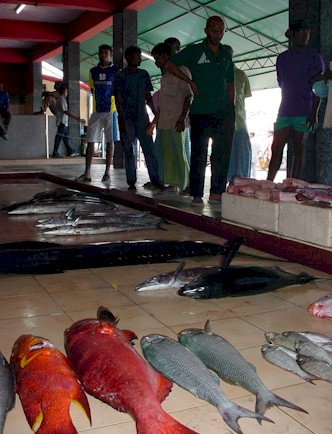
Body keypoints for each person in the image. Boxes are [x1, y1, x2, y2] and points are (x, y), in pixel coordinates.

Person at [161, 15, 235, 205]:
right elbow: (168, 64)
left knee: (221, 153)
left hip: (223, 111)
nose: (218, 34)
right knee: (199, 153)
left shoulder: (226, 54)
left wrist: (231, 107)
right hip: (201, 110)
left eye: (221, 31)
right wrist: (189, 81)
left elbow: (231, 83)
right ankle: (196, 194)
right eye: (214, 30)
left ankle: (217, 192)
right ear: (206, 30)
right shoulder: (194, 51)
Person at [267, 19, 325, 182]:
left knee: (299, 149)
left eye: (307, 31)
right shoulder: (282, 58)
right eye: (301, 31)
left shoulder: (315, 57)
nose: (306, 35)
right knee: (276, 147)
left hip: (304, 110)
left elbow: (319, 87)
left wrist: (314, 113)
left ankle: (292, 184)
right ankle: (268, 181)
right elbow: (281, 83)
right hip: (285, 109)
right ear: (291, 35)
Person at [113, 45, 163, 191]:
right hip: (126, 118)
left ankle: (155, 179)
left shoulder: (144, 74)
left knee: (149, 149)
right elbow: (118, 99)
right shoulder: (120, 76)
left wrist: (155, 115)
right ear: (129, 57)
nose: (140, 58)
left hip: (142, 117)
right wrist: (121, 120)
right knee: (129, 150)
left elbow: (148, 97)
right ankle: (131, 181)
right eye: (137, 55)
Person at [148, 42, 193, 193]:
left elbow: (188, 96)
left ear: (166, 55)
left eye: (158, 58)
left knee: (180, 155)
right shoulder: (165, 75)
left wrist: (182, 119)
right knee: (168, 155)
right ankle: (173, 185)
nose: (156, 62)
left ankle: (186, 185)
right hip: (165, 122)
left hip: (178, 122)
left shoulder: (182, 71)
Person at [76, 44, 119, 182]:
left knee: (110, 141)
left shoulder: (116, 70)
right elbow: (92, 89)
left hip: (111, 110)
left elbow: (118, 89)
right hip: (96, 111)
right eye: (101, 52)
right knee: (91, 141)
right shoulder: (92, 71)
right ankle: (87, 173)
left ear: (110, 54)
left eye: (106, 52)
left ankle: (107, 173)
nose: (103, 55)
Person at [223, 45, 252, 182]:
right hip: (221, 122)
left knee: (241, 154)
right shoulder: (215, 74)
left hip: (239, 121)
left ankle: (241, 183)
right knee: (223, 156)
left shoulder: (241, 75)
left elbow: (244, 96)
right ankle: (224, 182)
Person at [52, 83, 85, 158]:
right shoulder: (61, 99)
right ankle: (55, 152)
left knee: (66, 138)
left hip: (65, 122)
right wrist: (76, 117)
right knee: (59, 137)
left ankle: (70, 151)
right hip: (62, 122)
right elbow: (65, 111)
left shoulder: (62, 99)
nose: (67, 93)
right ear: (64, 92)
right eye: (66, 92)